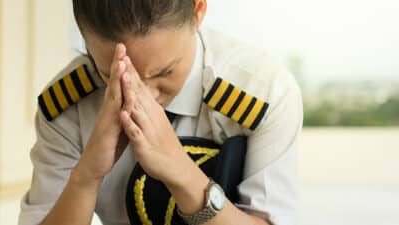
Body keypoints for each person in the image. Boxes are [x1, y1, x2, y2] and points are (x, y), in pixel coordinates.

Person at [18, 0, 303, 225]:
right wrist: (87, 175)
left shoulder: (264, 92)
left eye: (165, 72)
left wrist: (183, 175)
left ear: (198, 9)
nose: (145, 97)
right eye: (113, 75)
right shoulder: (67, 107)